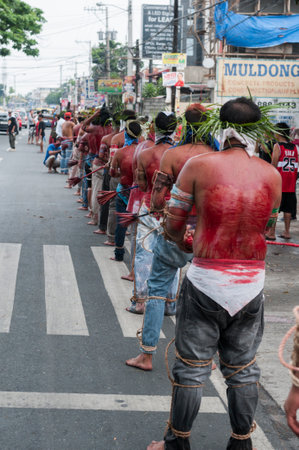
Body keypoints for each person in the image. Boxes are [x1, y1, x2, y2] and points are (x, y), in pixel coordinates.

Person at [147, 97, 282, 450]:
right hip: (251, 283)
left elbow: (172, 224)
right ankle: (241, 442)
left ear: (221, 129)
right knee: (243, 368)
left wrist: (186, 241)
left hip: (207, 278)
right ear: (258, 131)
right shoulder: (272, 174)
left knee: (192, 367)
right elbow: (266, 229)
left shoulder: (198, 164)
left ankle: (177, 442)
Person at [126, 104, 214, 371]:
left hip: (176, 230)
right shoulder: (218, 155)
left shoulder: (173, 156)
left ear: (183, 127)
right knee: (207, 294)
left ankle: (147, 355)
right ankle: (205, 358)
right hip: (209, 233)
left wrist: (165, 215)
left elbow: (155, 200)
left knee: (156, 291)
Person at [126, 111, 178, 314]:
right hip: (173, 210)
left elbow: (142, 184)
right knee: (172, 257)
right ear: (174, 129)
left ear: (155, 128)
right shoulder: (180, 154)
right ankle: (169, 303)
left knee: (144, 255)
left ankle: (140, 302)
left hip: (150, 208)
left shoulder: (145, 154)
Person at [110, 120, 142, 262]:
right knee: (138, 227)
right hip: (140, 194)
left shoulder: (120, 153)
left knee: (121, 224)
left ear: (126, 133)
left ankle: (119, 254)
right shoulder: (145, 152)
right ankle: (137, 258)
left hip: (124, 191)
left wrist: (121, 173)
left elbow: (112, 173)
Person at [266, 122, 298, 240]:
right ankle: (287, 232)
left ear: (279, 133)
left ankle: (271, 233)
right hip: (290, 183)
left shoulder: (278, 146)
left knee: (274, 209)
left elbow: (273, 165)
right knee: (288, 209)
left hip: (279, 184)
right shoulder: (295, 147)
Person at [61, 112, 75, 176]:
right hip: (69, 140)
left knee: (63, 156)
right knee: (68, 157)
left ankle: (62, 170)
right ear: (70, 117)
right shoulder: (71, 123)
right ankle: (66, 171)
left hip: (63, 140)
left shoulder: (63, 124)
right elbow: (77, 128)